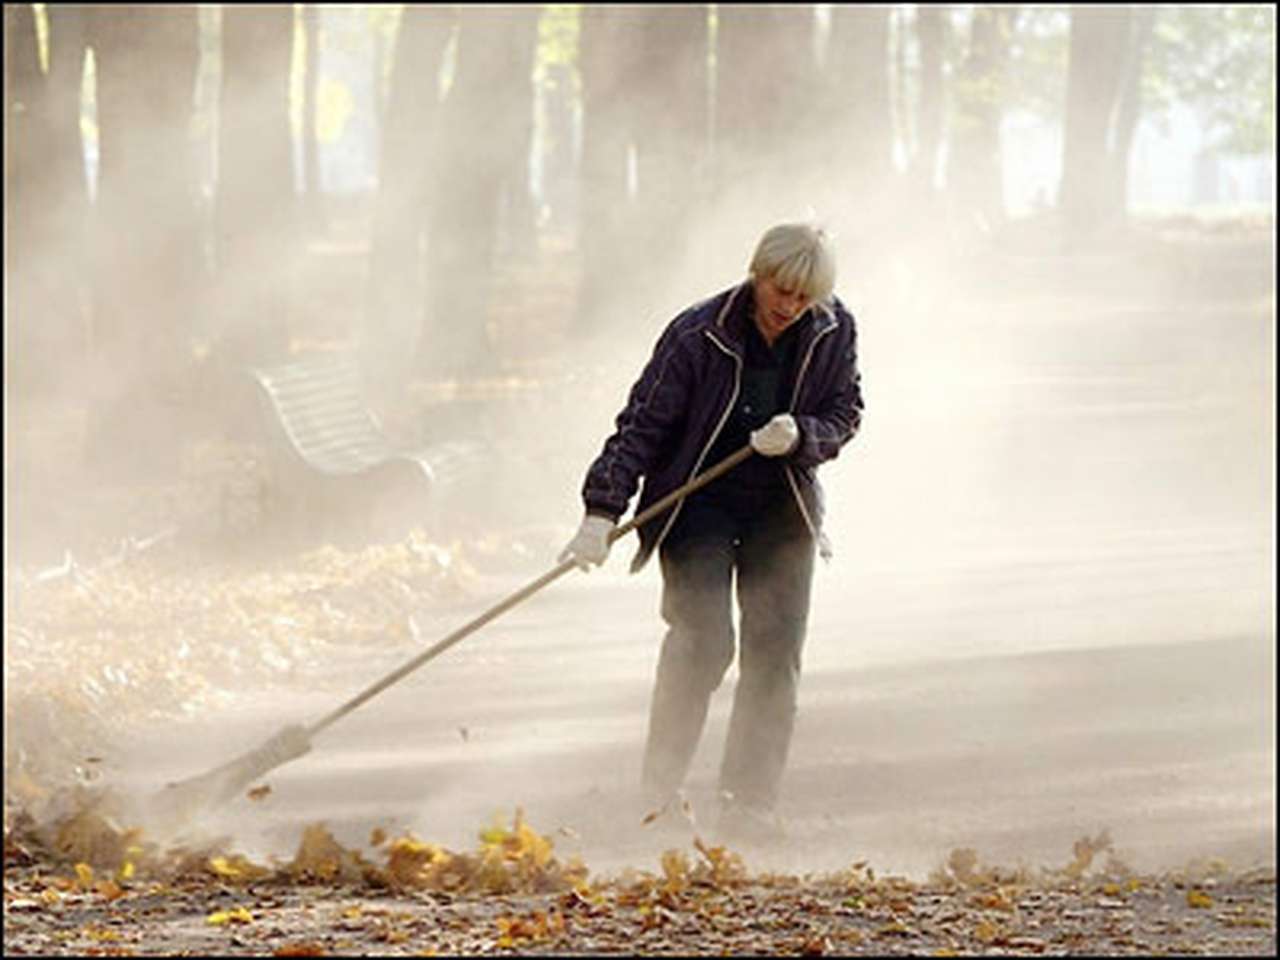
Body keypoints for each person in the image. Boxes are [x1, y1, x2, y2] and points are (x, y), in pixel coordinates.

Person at [559, 222, 864, 844]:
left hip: (783, 509)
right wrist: (600, 510)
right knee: (703, 641)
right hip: (696, 505)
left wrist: (804, 434)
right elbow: (641, 425)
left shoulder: (834, 330)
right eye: (780, 290)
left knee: (774, 656)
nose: (789, 307)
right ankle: (659, 795)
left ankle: (748, 804)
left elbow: (845, 411)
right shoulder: (698, 334)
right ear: (758, 274)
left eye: (804, 299)